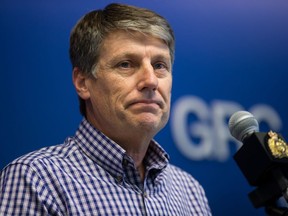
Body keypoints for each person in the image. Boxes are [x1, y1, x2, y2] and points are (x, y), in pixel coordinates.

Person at [0, 3, 211, 215]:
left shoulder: (189, 191)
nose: (151, 81)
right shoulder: (38, 181)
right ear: (82, 82)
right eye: (126, 64)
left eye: (159, 65)